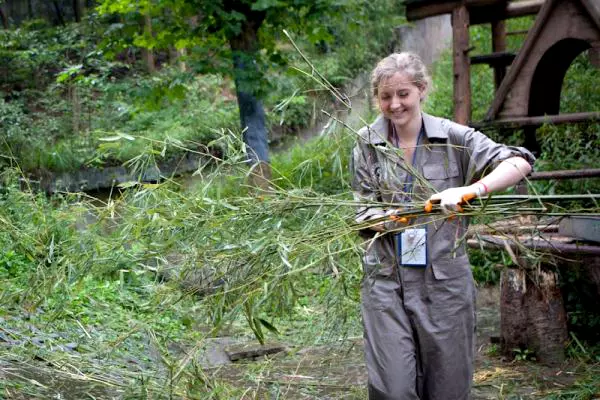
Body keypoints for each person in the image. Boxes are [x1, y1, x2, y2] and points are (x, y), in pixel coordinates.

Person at [350, 52, 535, 400]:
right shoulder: (365, 142)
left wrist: (472, 189)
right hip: (385, 281)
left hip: (443, 285)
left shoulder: (454, 136)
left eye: (403, 94)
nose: (394, 104)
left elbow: (520, 161)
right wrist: (380, 219)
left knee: (448, 388)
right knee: (393, 389)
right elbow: (360, 207)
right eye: (385, 96)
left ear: (421, 90)